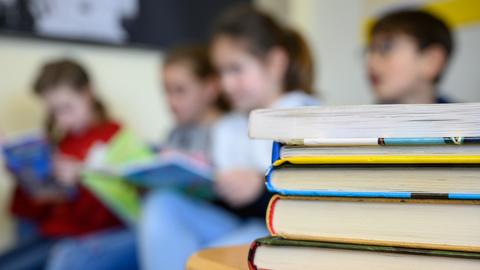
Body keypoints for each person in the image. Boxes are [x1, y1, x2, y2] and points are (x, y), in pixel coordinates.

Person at [139, 5, 319, 270]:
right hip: (240, 222)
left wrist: (260, 188)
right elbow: (225, 201)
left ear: (276, 62)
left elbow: (316, 205)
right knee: (163, 205)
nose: (226, 84)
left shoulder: (305, 115)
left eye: (236, 69)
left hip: (284, 231)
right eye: (221, 72)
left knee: (210, 256)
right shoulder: (229, 126)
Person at [0, 59, 136, 270]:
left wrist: (81, 181)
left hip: (85, 240)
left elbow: (115, 213)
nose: (62, 120)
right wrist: (22, 175)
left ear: (88, 93)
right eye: (54, 112)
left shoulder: (115, 140)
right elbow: (34, 210)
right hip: (50, 234)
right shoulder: (60, 142)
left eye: (67, 108)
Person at [366, 9, 454, 104]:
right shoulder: (361, 118)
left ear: (431, 61)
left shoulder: (467, 118)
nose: (371, 62)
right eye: (370, 51)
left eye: (386, 48)